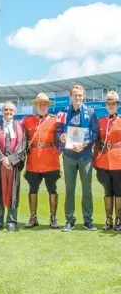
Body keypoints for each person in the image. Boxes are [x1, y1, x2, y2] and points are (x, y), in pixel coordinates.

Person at [56, 84, 99, 232]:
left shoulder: (91, 112)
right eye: (75, 95)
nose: (78, 97)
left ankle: (88, 221)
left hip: (85, 156)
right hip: (69, 156)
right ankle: (70, 220)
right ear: (71, 96)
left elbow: (95, 133)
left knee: (87, 190)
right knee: (70, 189)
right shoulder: (63, 112)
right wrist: (61, 137)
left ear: (83, 96)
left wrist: (85, 144)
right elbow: (58, 131)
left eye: (80, 95)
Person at [22, 93, 60, 229]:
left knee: (52, 189)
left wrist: (58, 151)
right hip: (33, 160)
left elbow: (61, 139)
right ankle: (33, 217)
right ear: (36, 105)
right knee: (33, 189)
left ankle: (53, 217)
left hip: (51, 160)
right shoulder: (27, 121)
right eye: (40, 104)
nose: (42, 106)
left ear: (48, 106)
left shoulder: (56, 121)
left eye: (45, 104)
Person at [0, 101, 26, 231]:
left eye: (11, 110)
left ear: (14, 112)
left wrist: (11, 160)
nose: (8, 112)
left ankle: (12, 221)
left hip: (13, 166)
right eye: (6, 110)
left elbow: (22, 147)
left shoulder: (20, 127)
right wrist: (3, 159)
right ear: (2, 111)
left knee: (13, 193)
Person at [93, 91, 121, 231]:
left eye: (114, 103)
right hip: (103, 161)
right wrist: (94, 160)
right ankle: (108, 219)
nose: (111, 105)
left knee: (119, 191)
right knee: (107, 191)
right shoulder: (101, 121)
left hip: (118, 161)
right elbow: (97, 141)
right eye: (109, 103)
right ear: (106, 105)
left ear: (117, 104)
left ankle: (118, 220)